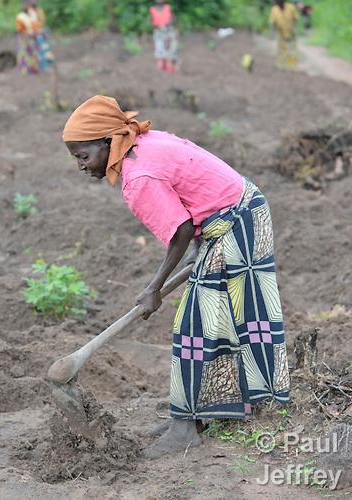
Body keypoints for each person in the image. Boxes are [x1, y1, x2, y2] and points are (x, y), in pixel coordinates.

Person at [63, 96, 290, 458]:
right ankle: (197, 416)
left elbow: (180, 229)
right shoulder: (140, 142)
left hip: (235, 223)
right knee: (220, 319)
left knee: (196, 327)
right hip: (238, 213)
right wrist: (204, 241)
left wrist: (153, 288)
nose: (80, 165)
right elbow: (192, 204)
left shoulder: (138, 177)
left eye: (83, 155)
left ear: (108, 142)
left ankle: (184, 428)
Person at [149, 0, 178, 73]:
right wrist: (158, 25)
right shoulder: (152, 9)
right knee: (159, 49)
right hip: (159, 32)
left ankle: (170, 67)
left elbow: (173, 18)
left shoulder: (168, 7)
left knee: (171, 49)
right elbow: (151, 21)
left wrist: (168, 23)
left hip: (169, 31)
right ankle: (161, 68)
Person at [269, 0, 298, 70]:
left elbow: (295, 19)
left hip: (291, 33)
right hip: (280, 34)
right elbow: (272, 23)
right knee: (281, 51)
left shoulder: (291, 8)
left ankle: (292, 67)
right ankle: (281, 67)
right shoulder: (274, 10)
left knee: (292, 51)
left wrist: (294, 28)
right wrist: (272, 33)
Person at [16, 0, 40, 75]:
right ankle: (25, 71)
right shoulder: (20, 16)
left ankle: (34, 69)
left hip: (32, 36)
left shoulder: (33, 14)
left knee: (34, 53)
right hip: (24, 37)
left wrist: (36, 32)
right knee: (25, 54)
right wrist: (26, 36)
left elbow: (35, 26)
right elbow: (21, 30)